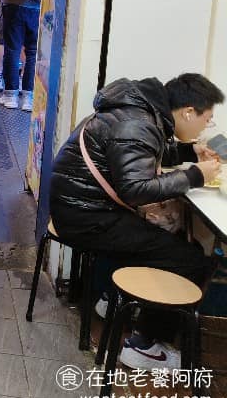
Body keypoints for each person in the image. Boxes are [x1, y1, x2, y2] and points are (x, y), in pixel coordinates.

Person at [49, 73, 223, 370]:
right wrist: (195, 176)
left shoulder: (138, 113)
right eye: (207, 119)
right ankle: (144, 347)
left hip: (81, 207)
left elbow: (136, 154)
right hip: (85, 217)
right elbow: (135, 189)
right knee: (189, 260)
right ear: (188, 112)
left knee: (174, 242)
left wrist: (188, 152)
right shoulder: (138, 123)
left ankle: (113, 300)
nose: (206, 126)